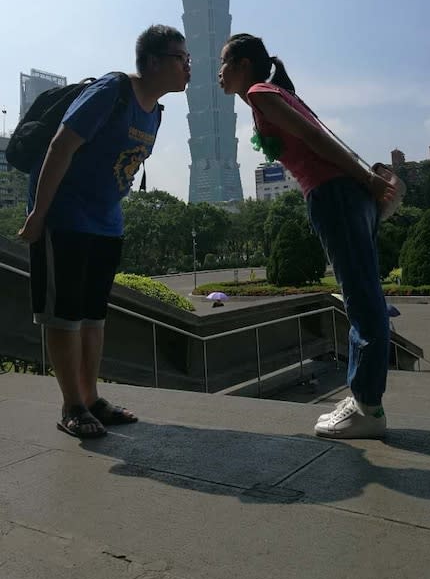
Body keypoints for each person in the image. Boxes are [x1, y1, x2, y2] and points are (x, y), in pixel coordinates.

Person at [218, 33, 396, 439]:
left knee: (362, 300)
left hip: (335, 194)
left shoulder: (262, 93)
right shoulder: (273, 92)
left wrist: (367, 178)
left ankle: (368, 406)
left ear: (243, 65)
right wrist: (363, 182)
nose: (219, 75)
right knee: (365, 295)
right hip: (345, 193)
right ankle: (365, 398)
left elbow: (316, 139)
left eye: (223, 65)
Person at [18, 24, 191, 439]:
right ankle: (72, 406)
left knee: (94, 315)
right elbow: (61, 145)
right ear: (152, 61)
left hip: (106, 221)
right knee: (65, 315)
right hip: (66, 214)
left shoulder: (155, 113)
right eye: (181, 58)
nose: (188, 67)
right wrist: (39, 213)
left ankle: (91, 398)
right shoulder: (112, 91)